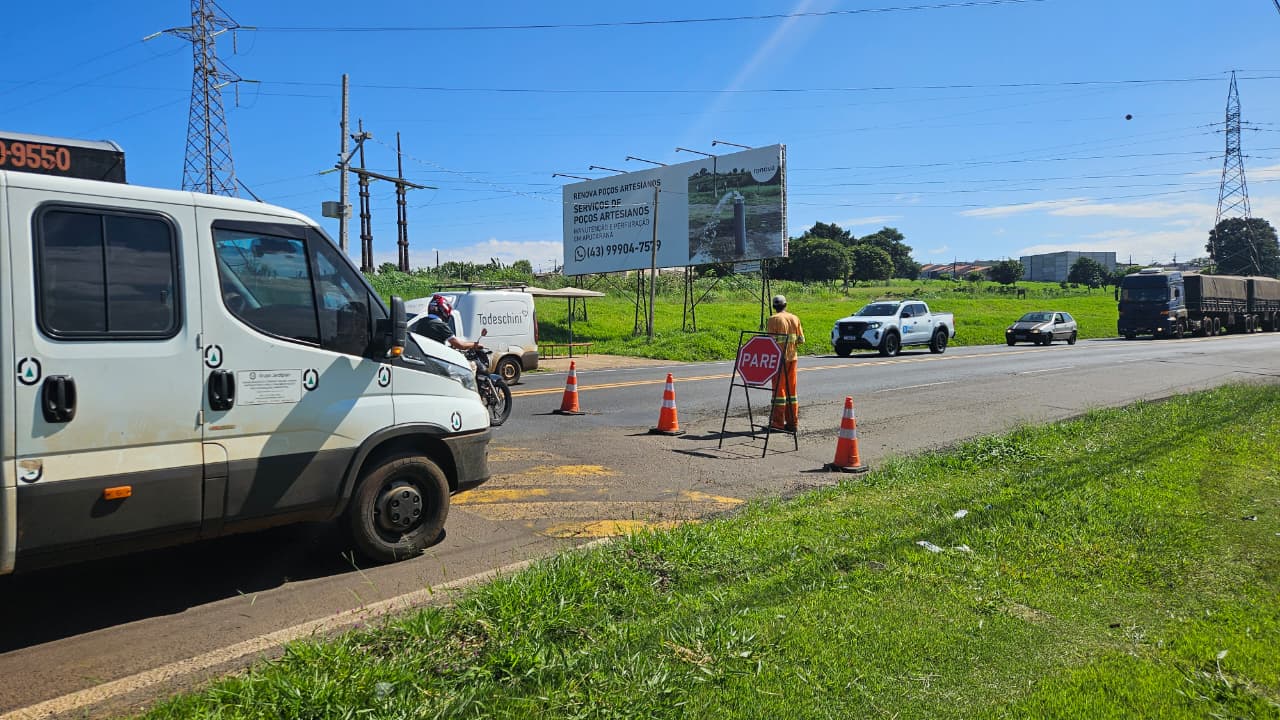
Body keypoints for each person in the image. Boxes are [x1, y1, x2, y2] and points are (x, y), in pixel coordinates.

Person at [765, 294, 804, 431]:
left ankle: (777, 424)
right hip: (792, 359)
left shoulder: (772, 319)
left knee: (778, 393)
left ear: (774, 306)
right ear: (785, 305)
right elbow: (801, 340)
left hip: (778, 361)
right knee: (791, 392)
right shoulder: (795, 318)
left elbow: (770, 342)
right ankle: (793, 423)